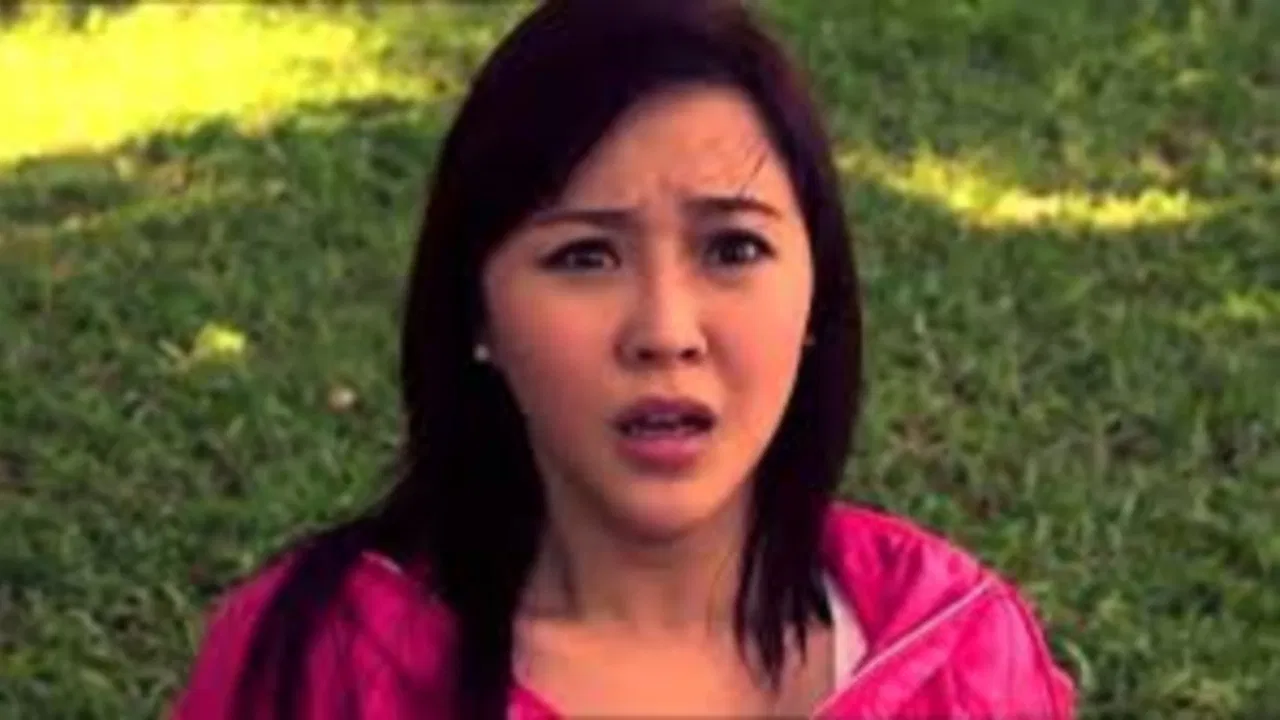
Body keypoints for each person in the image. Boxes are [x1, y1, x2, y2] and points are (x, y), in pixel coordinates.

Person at [171, 1, 1077, 717]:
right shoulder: (319, 663)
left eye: (733, 248)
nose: (666, 331)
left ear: (817, 293)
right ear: (477, 311)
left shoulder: (960, 659)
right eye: (584, 256)